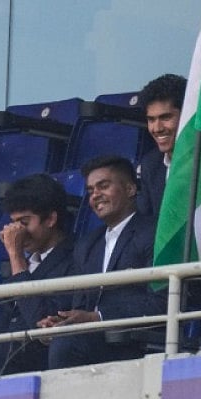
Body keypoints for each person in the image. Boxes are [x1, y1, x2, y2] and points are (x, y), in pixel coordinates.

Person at [41, 155, 163, 369]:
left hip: (136, 339)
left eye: (103, 186)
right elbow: (80, 305)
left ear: (130, 189)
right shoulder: (87, 245)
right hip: (94, 340)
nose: (95, 195)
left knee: (66, 346)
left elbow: (162, 300)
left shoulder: (153, 232)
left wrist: (99, 317)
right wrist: (63, 321)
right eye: (90, 191)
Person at [0, 174, 78, 376]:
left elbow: (43, 319)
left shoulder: (76, 256)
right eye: (13, 223)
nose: (17, 232)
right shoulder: (29, 262)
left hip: (45, 359)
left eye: (24, 222)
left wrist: (16, 257)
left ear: (51, 219)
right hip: (5, 359)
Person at [135, 74, 186, 218]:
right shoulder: (150, 165)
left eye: (165, 117)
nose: (157, 128)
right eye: (151, 120)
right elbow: (147, 224)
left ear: (186, 115)